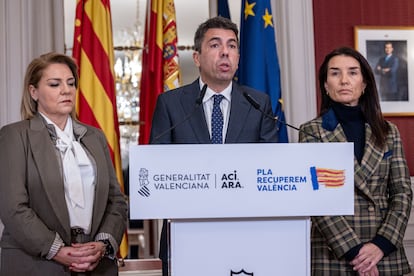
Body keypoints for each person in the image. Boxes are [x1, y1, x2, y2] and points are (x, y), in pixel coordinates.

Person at [149, 16, 279, 276]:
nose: (225, 53)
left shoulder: (258, 103)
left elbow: (268, 168)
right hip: (186, 233)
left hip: (245, 234)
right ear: (196, 57)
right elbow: (157, 170)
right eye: (215, 45)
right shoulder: (171, 104)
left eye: (232, 46)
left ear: (238, 57)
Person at [0, 52, 128, 275]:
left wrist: (101, 245)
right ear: (34, 92)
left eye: (70, 83)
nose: (66, 90)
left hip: (96, 263)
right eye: (54, 84)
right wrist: (57, 250)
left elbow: (116, 200)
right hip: (36, 264)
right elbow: (13, 208)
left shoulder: (95, 137)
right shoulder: (14, 136)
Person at [299, 46, 412, 275]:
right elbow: (317, 199)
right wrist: (356, 254)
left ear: (365, 83)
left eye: (352, 72)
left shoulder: (389, 131)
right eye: (334, 73)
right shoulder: (311, 131)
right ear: (324, 84)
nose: (344, 80)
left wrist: (380, 245)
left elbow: (402, 192)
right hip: (335, 253)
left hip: (384, 251)